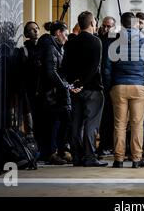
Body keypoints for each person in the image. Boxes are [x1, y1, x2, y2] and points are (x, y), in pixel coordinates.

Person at [104, 12, 144, 168]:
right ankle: (136, 159)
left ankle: (119, 159)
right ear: (135, 24)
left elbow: (106, 70)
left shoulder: (113, 43)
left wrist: (109, 88)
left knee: (119, 124)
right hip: (140, 86)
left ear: (121, 24)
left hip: (119, 87)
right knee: (137, 124)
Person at [62, 11, 108, 167]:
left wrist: (72, 85)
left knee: (76, 123)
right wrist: (81, 83)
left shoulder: (70, 42)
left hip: (75, 90)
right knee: (91, 123)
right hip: (92, 88)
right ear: (92, 24)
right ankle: (89, 157)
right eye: (95, 21)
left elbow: (64, 67)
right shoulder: (96, 42)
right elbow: (94, 68)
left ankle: (77, 156)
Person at [37, 21, 73, 165]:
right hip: (50, 93)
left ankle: (59, 150)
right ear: (58, 32)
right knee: (52, 125)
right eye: (65, 34)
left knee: (62, 122)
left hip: (56, 93)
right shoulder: (51, 48)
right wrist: (65, 86)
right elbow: (51, 71)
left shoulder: (58, 48)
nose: (66, 37)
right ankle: (51, 154)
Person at [12, 21, 41, 137]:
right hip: (29, 88)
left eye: (37, 28)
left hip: (41, 88)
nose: (35, 31)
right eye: (31, 29)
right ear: (26, 34)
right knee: (29, 116)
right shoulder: (23, 50)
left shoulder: (44, 47)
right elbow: (22, 71)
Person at [97, 16, 117, 157]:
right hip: (98, 83)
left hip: (110, 84)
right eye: (104, 25)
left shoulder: (116, 42)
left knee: (109, 117)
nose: (105, 28)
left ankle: (107, 145)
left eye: (109, 26)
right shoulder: (98, 39)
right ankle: (103, 145)